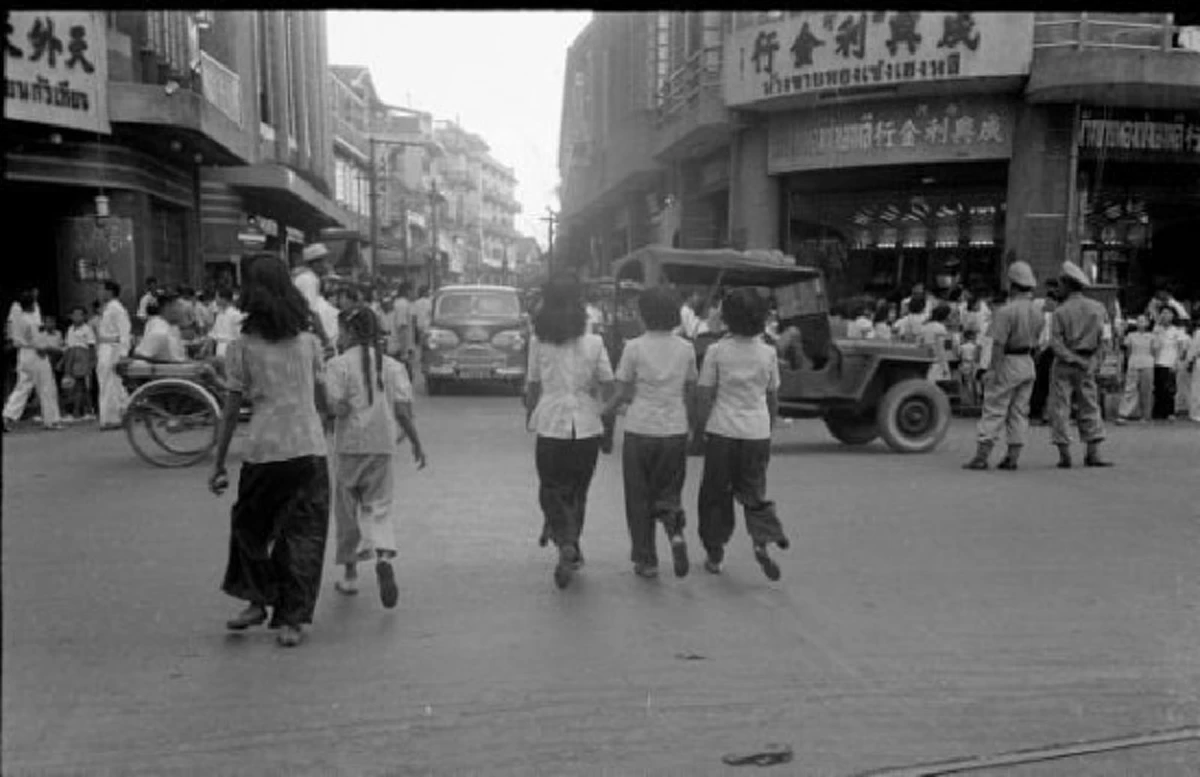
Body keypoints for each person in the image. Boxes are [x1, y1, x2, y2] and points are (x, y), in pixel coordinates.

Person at [208, 253, 333, 648]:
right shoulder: (309, 342)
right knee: (303, 536)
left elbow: (230, 412)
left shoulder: (242, 347)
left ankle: (255, 601)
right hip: (309, 451)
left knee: (250, 529)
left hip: (264, 452)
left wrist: (217, 463)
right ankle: (292, 621)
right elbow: (322, 398)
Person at [326, 306, 427, 606]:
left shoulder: (338, 364)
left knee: (347, 511)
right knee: (379, 507)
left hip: (349, 446)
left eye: (342, 330)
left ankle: (350, 575)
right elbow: (404, 411)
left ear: (352, 333)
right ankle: (383, 557)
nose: (339, 336)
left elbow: (334, 407)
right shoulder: (393, 366)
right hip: (382, 444)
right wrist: (416, 442)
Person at [524, 275, 614, 590]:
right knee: (578, 491)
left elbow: (533, 385)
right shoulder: (595, 342)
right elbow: (609, 384)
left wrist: (530, 413)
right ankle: (571, 542)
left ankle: (564, 540)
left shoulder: (538, 342)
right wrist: (605, 418)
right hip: (587, 426)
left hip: (550, 424)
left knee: (550, 487)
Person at [600, 287, 697, 580]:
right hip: (674, 430)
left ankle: (646, 560)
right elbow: (690, 390)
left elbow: (622, 391)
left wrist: (604, 413)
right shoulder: (686, 349)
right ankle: (675, 532)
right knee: (669, 492)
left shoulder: (634, 347)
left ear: (643, 315)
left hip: (640, 429)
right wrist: (691, 427)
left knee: (638, 497)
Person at [695, 288, 790, 581]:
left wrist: (699, 431)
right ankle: (762, 539)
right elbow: (772, 397)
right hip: (756, 432)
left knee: (715, 496)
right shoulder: (768, 353)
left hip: (722, 431)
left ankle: (714, 553)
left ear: (726, 317)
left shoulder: (716, 351)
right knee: (753, 491)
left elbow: (704, 395)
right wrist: (768, 428)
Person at [964, 261, 1043, 470]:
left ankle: (982, 456)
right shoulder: (1038, 311)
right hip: (1027, 362)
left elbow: (998, 344)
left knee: (994, 408)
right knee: (1019, 411)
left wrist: (992, 370)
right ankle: (1013, 457)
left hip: (1008, 361)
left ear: (1013, 284)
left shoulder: (1006, 312)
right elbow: (1039, 341)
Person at [1047, 261, 1112, 469]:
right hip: (1089, 362)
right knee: (1090, 404)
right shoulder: (1099, 308)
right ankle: (1093, 453)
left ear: (1066, 285)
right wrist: (1094, 361)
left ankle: (1064, 454)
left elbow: (1055, 343)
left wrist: (1072, 358)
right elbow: (1107, 340)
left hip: (1065, 364)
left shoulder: (1060, 312)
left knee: (1060, 407)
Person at [2, 291, 62, 432]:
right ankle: (51, 420)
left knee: (22, 386)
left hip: (23, 353)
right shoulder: (31, 320)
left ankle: (7, 415)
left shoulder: (17, 314)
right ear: (31, 305)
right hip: (35, 353)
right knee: (46, 386)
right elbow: (38, 341)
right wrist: (48, 349)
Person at [95, 280, 132, 430]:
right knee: (111, 383)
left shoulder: (117, 308)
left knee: (110, 383)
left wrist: (124, 353)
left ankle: (111, 418)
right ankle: (121, 412)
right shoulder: (108, 308)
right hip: (105, 346)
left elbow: (124, 331)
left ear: (109, 291)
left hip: (113, 347)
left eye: (101, 290)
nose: (99, 293)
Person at [293, 243, 336, 356]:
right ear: (316, 263)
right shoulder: (309, 280)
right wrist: (326, 340)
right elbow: (311, 313)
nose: (328, 265)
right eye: (325, 261)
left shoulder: (309, 278)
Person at [1150, 308, 1189, 421]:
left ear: (1172, 316)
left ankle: (1169, 412)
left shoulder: (1177, 331)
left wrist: (1177, 362)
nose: (1165, 315)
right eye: (1163, 313)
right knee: (1158, 388)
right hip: (1157, 362)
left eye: (1168, 313)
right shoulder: (1156, 329)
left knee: (1169, 389)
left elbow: (1181, 349)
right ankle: (1158, 413)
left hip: (1170, 362)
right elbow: (1153, 345)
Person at [1116, 315, 1155, 424]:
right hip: (1134, 363)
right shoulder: (1131, 335)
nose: (1141, 323)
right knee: (1130, 389)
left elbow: (1154, 350)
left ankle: (1145, 415)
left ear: (1147, 323)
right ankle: (1123, 413)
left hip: (1148, 363)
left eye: (1143, 321)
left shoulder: (1151, 336)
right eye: (1139, 321)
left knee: (1146, 390)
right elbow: (1127, 350)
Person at [61, 306, 97, 421]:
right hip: (72, 358)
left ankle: (87, 411)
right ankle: (77, 410)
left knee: (83, 386)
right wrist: (64, 361)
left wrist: (91, 362)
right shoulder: (70, 329)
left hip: (83, 358)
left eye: (80, 314)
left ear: (85, 316)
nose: (77, 317)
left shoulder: (87, 329)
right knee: (74, 386)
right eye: (74, 315)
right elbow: (68, 347)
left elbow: (91, 346)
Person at [133, 290, 187, 363]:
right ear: (168, 307)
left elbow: (181, 359)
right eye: (179, 306)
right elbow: (139, 357)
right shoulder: (159, 332)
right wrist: (166, 364)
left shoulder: (174, 328)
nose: (183, 310)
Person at [919, 305, 954, 383]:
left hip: (926, 363)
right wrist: (945, 368)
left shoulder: (924, 326)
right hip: (938, 364)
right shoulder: (941, 329)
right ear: (946, 315)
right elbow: (943, 350)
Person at [207, 287, 243, 362]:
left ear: (224, 299)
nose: (215, 300)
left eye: (217, 297)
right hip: (219, 348)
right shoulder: (220, 314)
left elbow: (239, 337)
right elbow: (213, 333)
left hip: (230, 349)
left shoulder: (235, 315)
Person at [413, 286, 433, 351]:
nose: (428, 293)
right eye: (427, 292)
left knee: (420, 345)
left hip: (419, 325)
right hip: (427, 325)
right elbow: (430, 313)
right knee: (428, 344)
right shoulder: (429, 302)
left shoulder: (416, 302)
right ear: (424, 293)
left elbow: (414, 316)